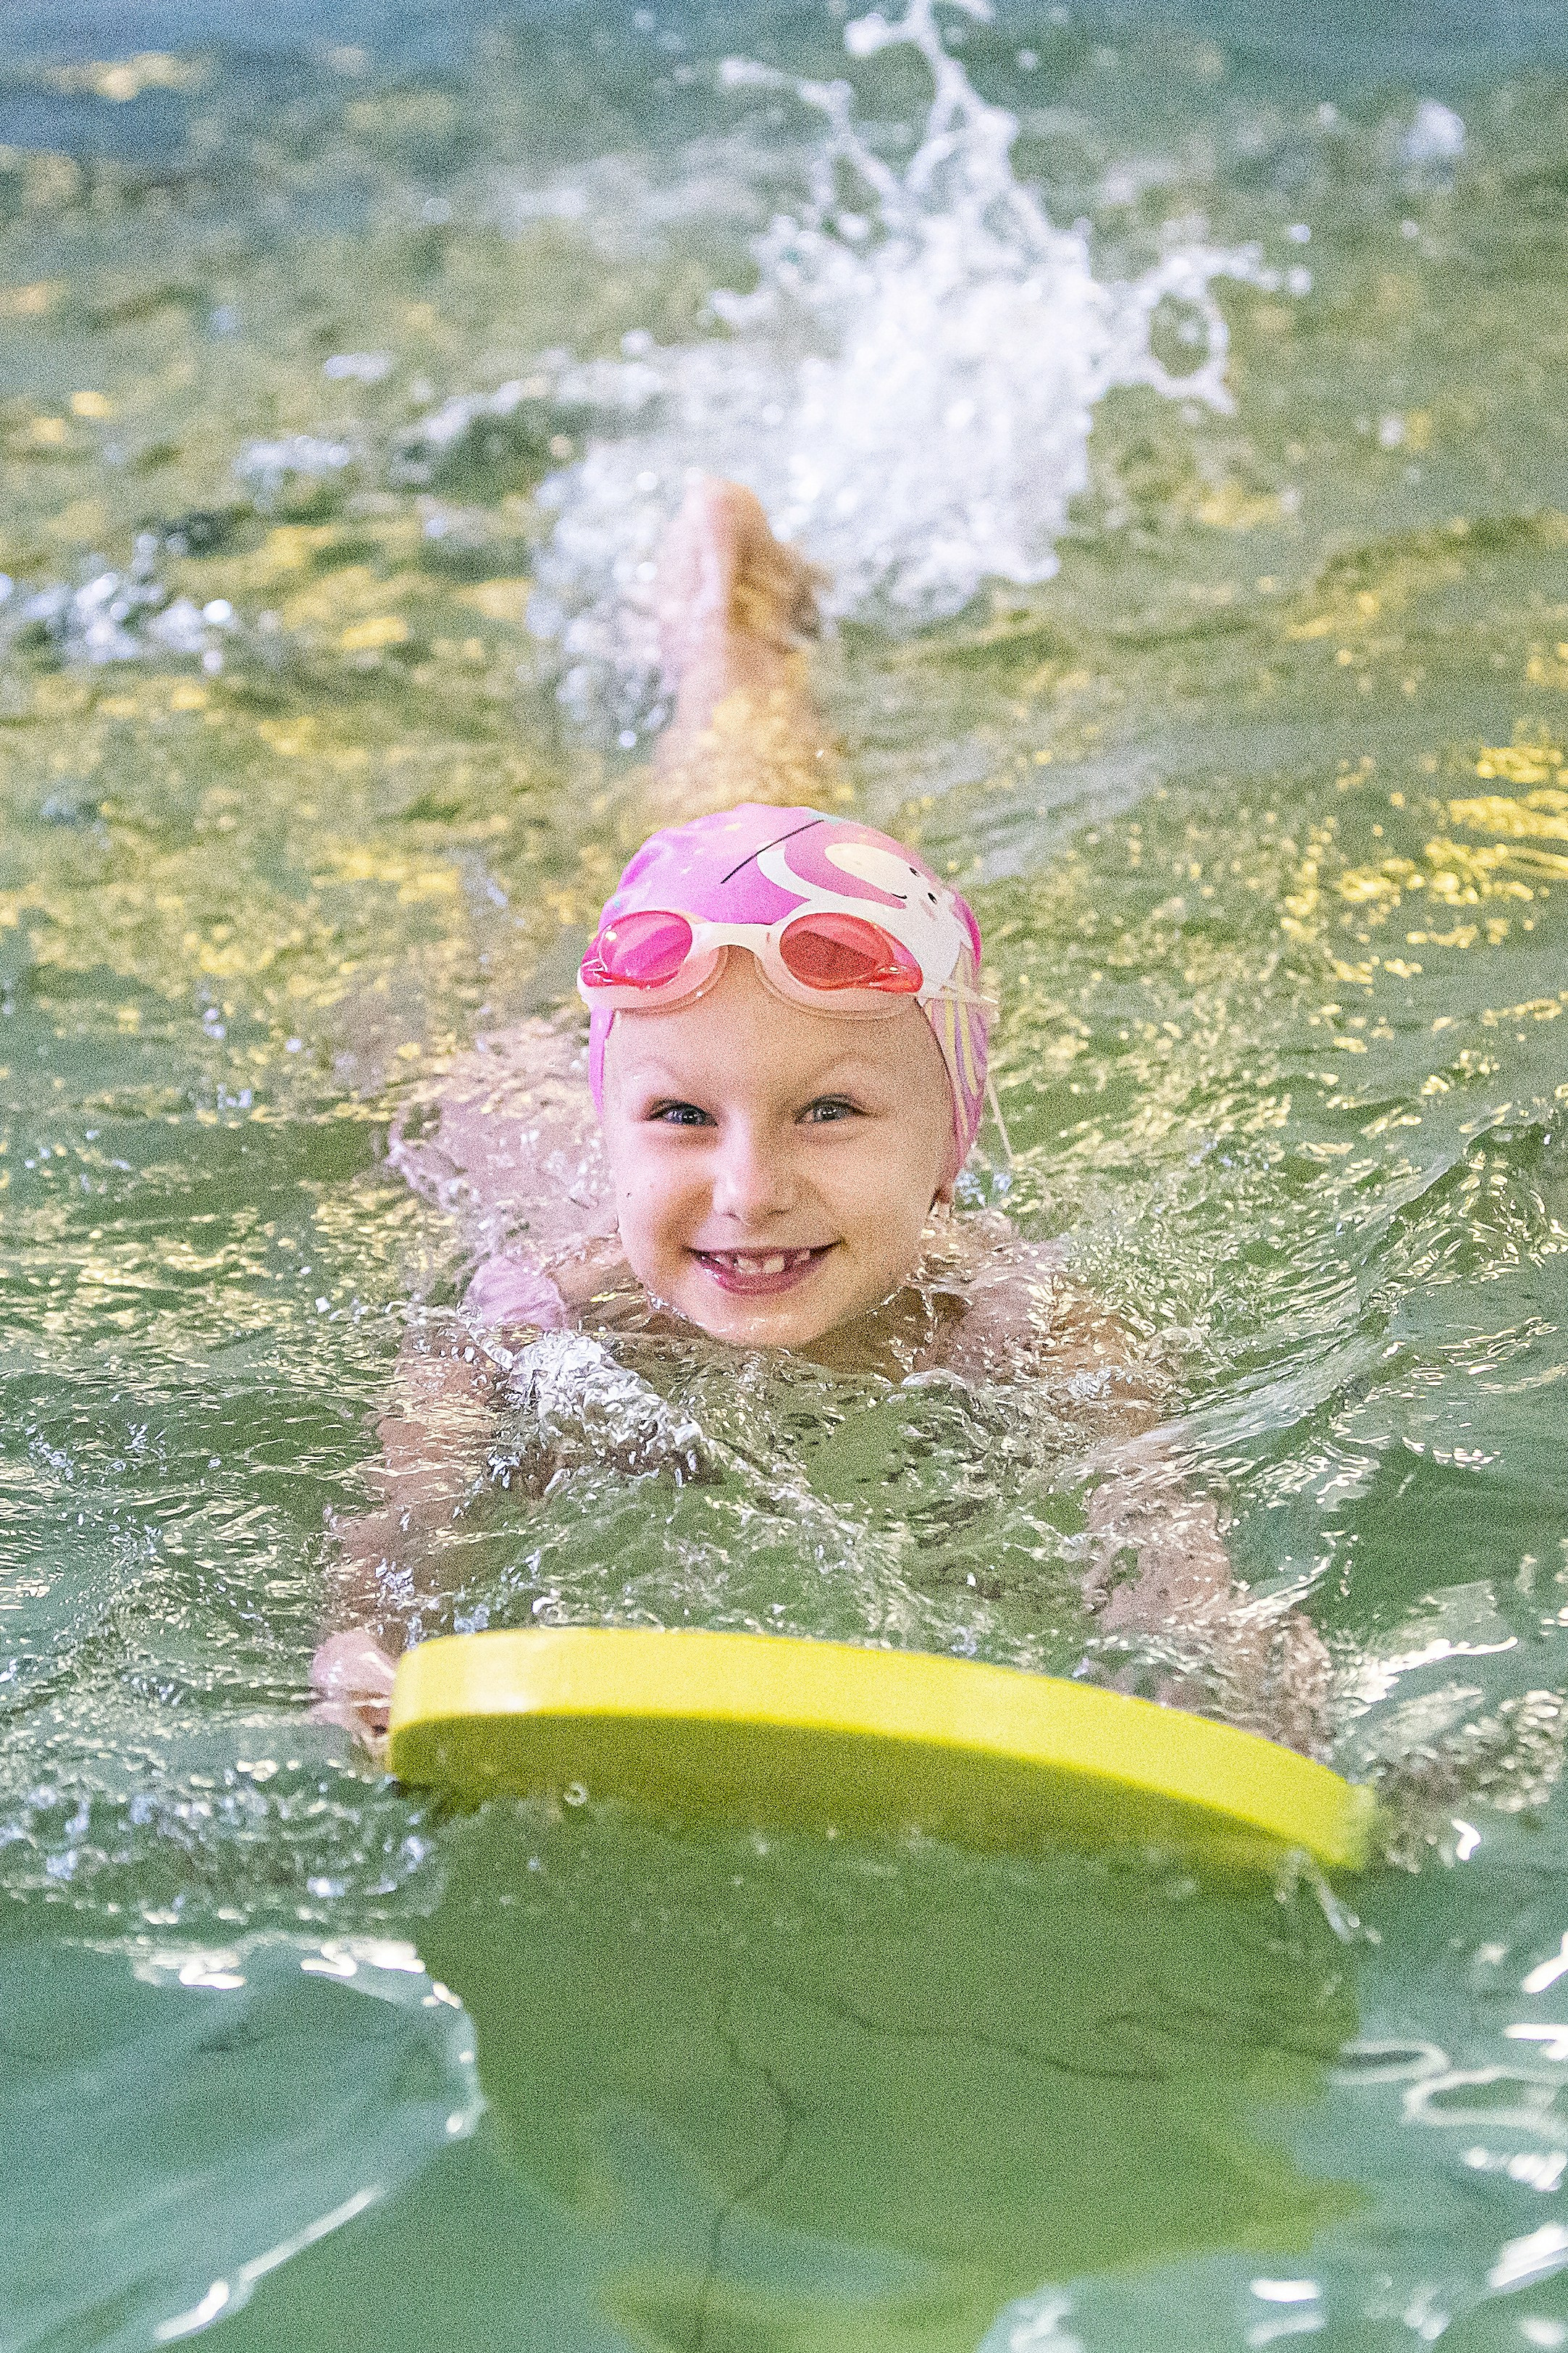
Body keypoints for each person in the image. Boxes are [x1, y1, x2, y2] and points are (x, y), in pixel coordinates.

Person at [311, 480, 1328, 1754]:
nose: (747, 1189)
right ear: (616, 1126)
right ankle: (720, 629)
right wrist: (366, 1643)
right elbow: (394, 1559)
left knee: (749, 804)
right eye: (680, 1117)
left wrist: (1220, 1648)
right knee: (416, 1005)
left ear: (948, 1146)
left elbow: (1176, 1565)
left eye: (830, 1110)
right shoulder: (533, 1324)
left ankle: (741, 631)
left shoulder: (1026, 1328)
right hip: (481, 1082)